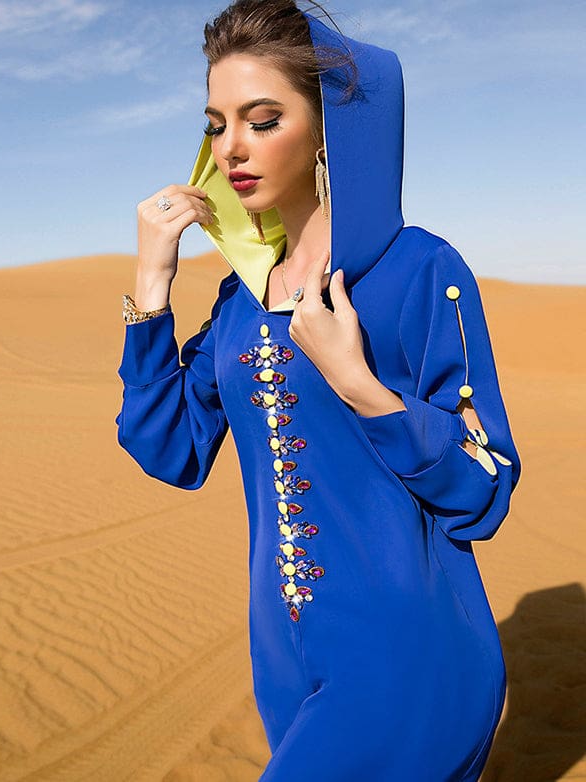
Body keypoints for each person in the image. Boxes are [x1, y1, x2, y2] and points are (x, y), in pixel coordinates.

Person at [115, 1, 522, 779]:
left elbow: (486, 489)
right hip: (286, 665)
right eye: (216, 125)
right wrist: (152, 286)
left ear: (330, 128)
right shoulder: (240, 302)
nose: (232, 148)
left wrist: (359, 385)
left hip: (409, 657)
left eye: (263, 120)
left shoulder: (418, 271)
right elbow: (170, 450)